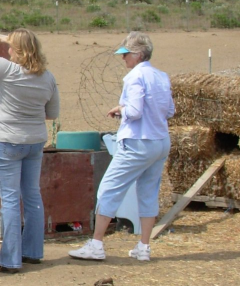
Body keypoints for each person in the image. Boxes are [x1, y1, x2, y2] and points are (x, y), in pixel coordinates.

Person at [69, 31, 174, 262]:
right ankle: (144, 247)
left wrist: (120, 110)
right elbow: (169, 111)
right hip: (160, 141)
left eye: (126, 54)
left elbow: (135, 112)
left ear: (137, 55)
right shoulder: (162, 76)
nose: (123, 58)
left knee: (109, 188)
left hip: (138, 142)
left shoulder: (134, 77)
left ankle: (96, 244)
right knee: (148, 192)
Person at [0, 28, 60, 273]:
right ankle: (32, 252)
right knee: (31, 195)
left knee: (9, 198)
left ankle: (9, 259)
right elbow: (52, 114)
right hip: (35, 141)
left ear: (16, 50)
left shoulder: (7, 70)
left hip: (7, 140)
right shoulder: (47, 77)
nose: (7, 50)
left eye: (10, 47)